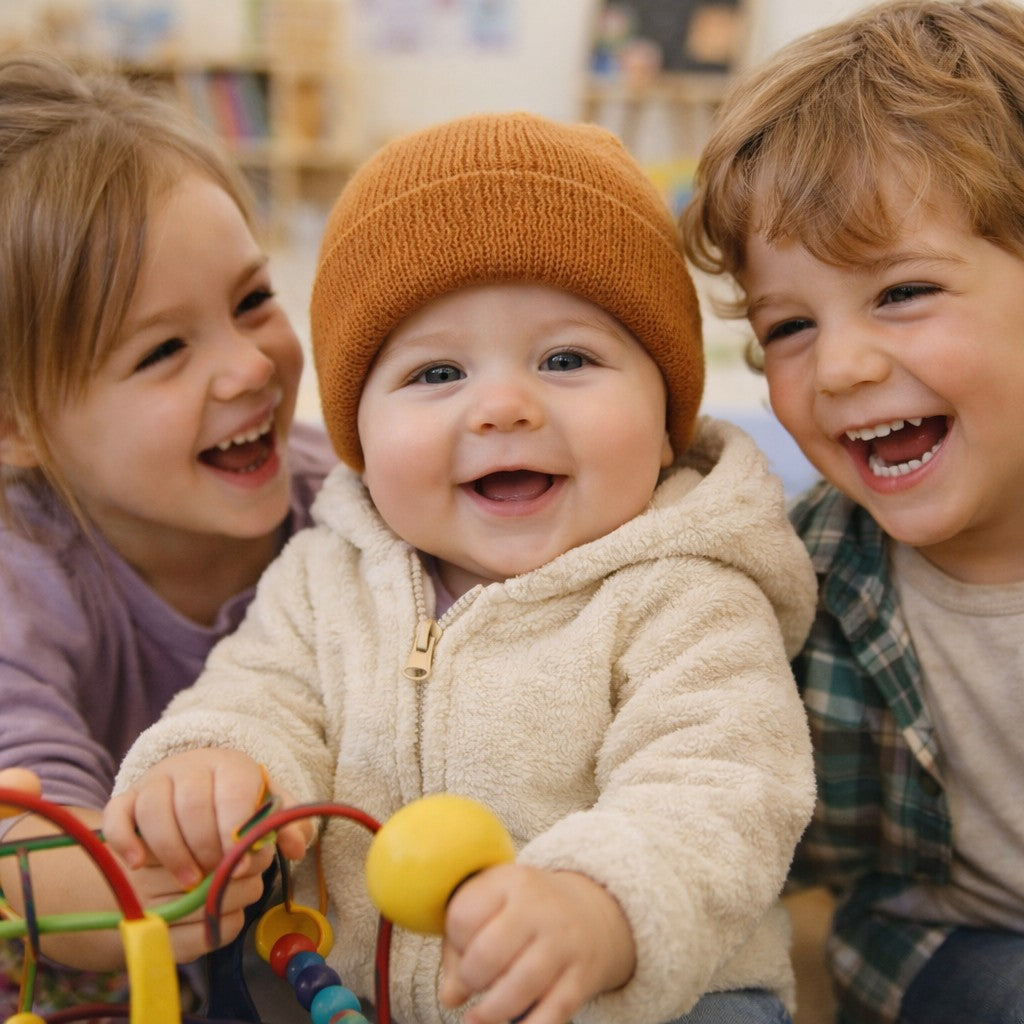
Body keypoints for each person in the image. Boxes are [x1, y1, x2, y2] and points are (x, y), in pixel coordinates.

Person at [104, 110, 818, 1024]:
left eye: (566, 358)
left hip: (633, 995)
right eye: (437, 374)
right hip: (347, 992)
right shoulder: (326, 574)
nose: (503, 407)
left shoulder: (688, 590)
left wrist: (599, 907)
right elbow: (259, 693)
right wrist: (213, 763)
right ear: (357, 430)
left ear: (668, 406)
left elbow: (724, 790)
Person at [679, 2, 1024, 1022]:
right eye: (789, 325)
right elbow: (708, 798)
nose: (840, 366)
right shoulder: (802, 577)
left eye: (902, 292)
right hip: (954, 945)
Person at [0, 50, 335, 1010]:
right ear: (17, 425)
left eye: (253, 301)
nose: (247, 369)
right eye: (164, 350)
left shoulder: (351, 507)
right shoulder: (24, 577)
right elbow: (20, 810)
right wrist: (115, 892)